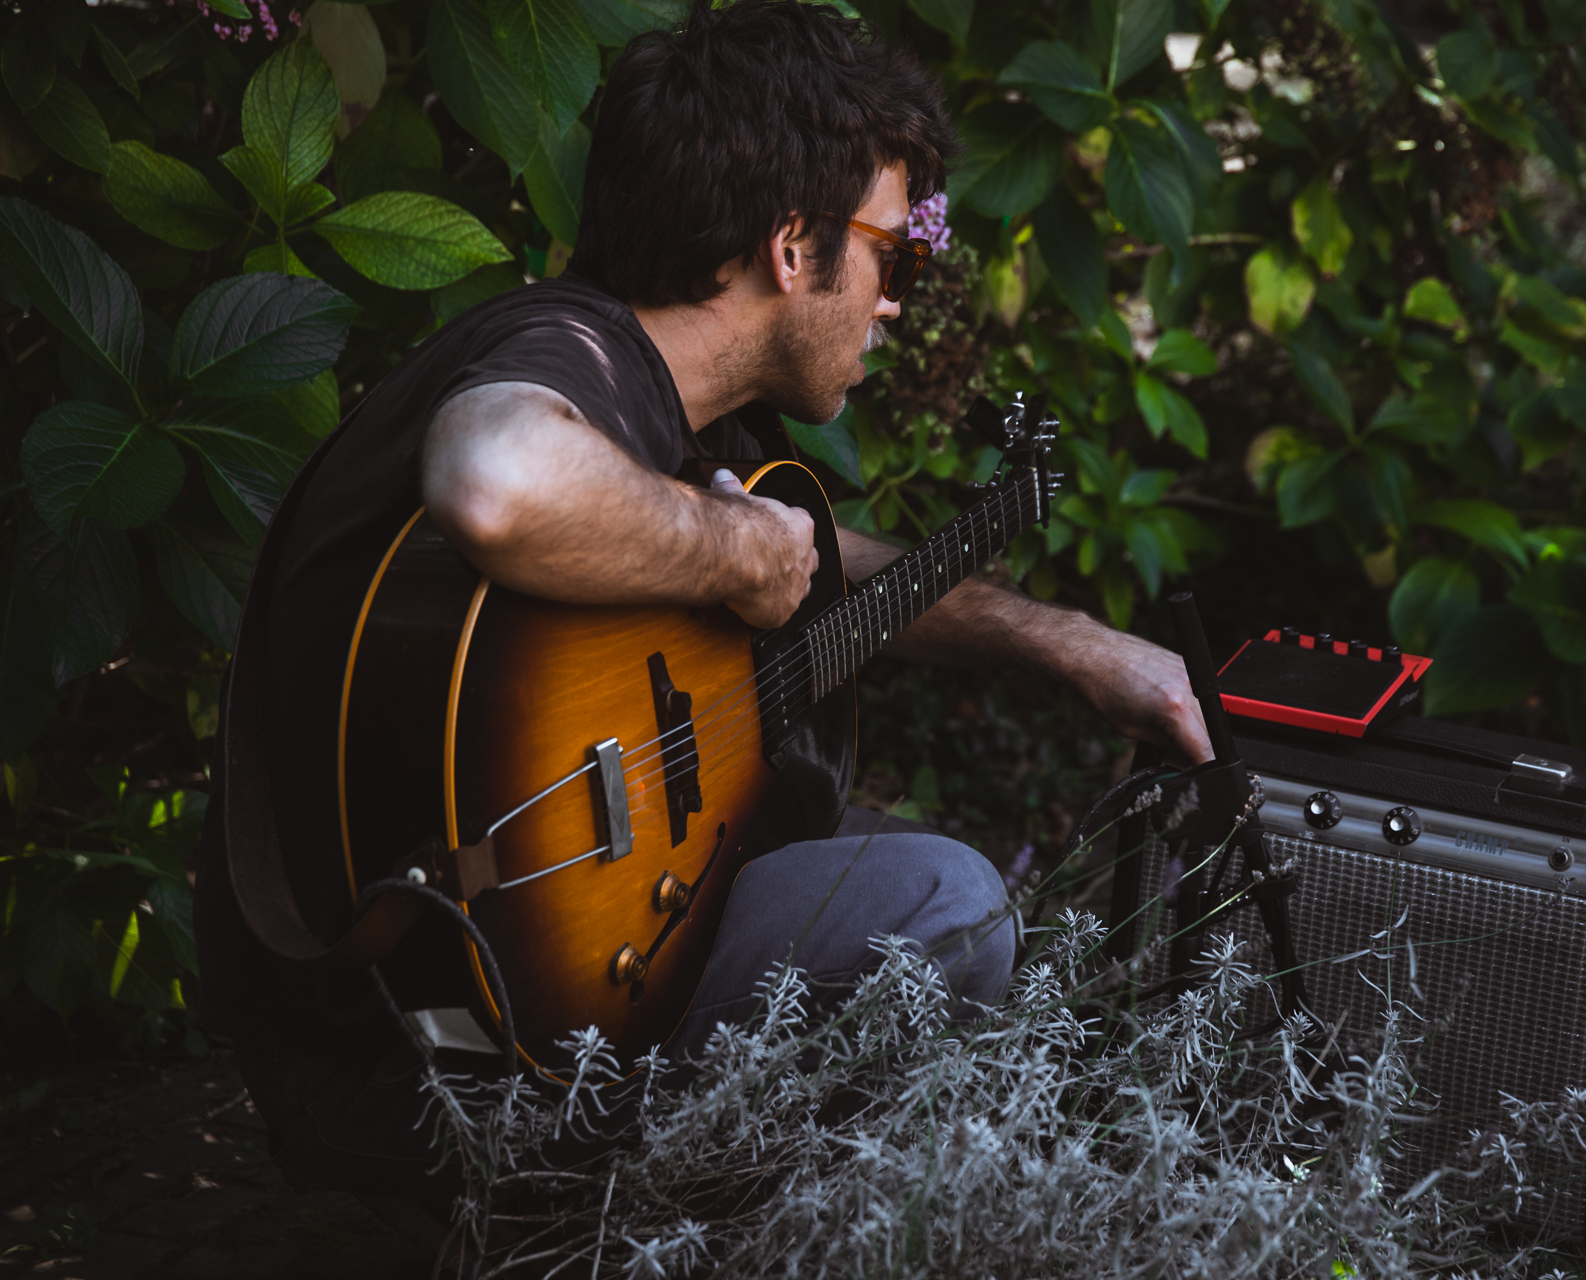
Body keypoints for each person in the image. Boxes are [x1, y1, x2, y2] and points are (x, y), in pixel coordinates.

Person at [193, 0, 1208, 1206]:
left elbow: (823, 567)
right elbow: (497, 479)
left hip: (458, 1007)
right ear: (794, 246)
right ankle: (643, 1228)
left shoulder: (678, 413)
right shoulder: (569, 354)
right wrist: (732, 551)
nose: (898, 299)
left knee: (867, 843)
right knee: (948, 906)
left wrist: (1061, 641)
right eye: (899, 252)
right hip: (420, 1061)